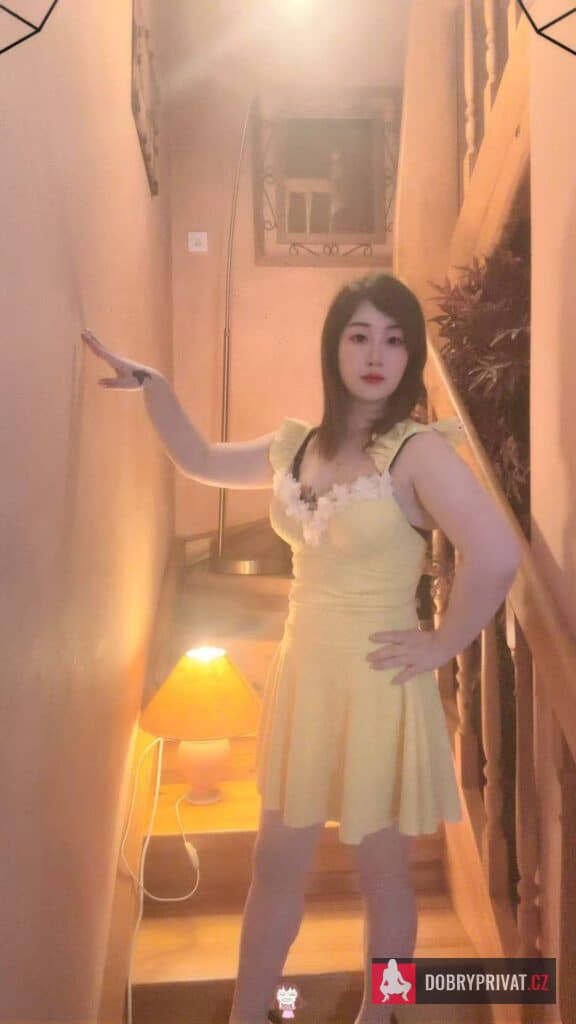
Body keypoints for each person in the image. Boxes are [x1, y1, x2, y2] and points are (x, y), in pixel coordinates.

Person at [81, 273, 522, 1024]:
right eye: (360, 336)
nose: (376, 355)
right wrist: (154, 387)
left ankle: (379, 1014)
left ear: (411, 355)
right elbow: (200, 458)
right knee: (274, 861)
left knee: (382, 870)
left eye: (394, 340)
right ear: (334, 347)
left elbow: (498, 553)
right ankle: (247, 1013)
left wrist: (443, 643)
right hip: (304, 672)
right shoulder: (299, 446)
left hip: (378, 679)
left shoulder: (416, 451)